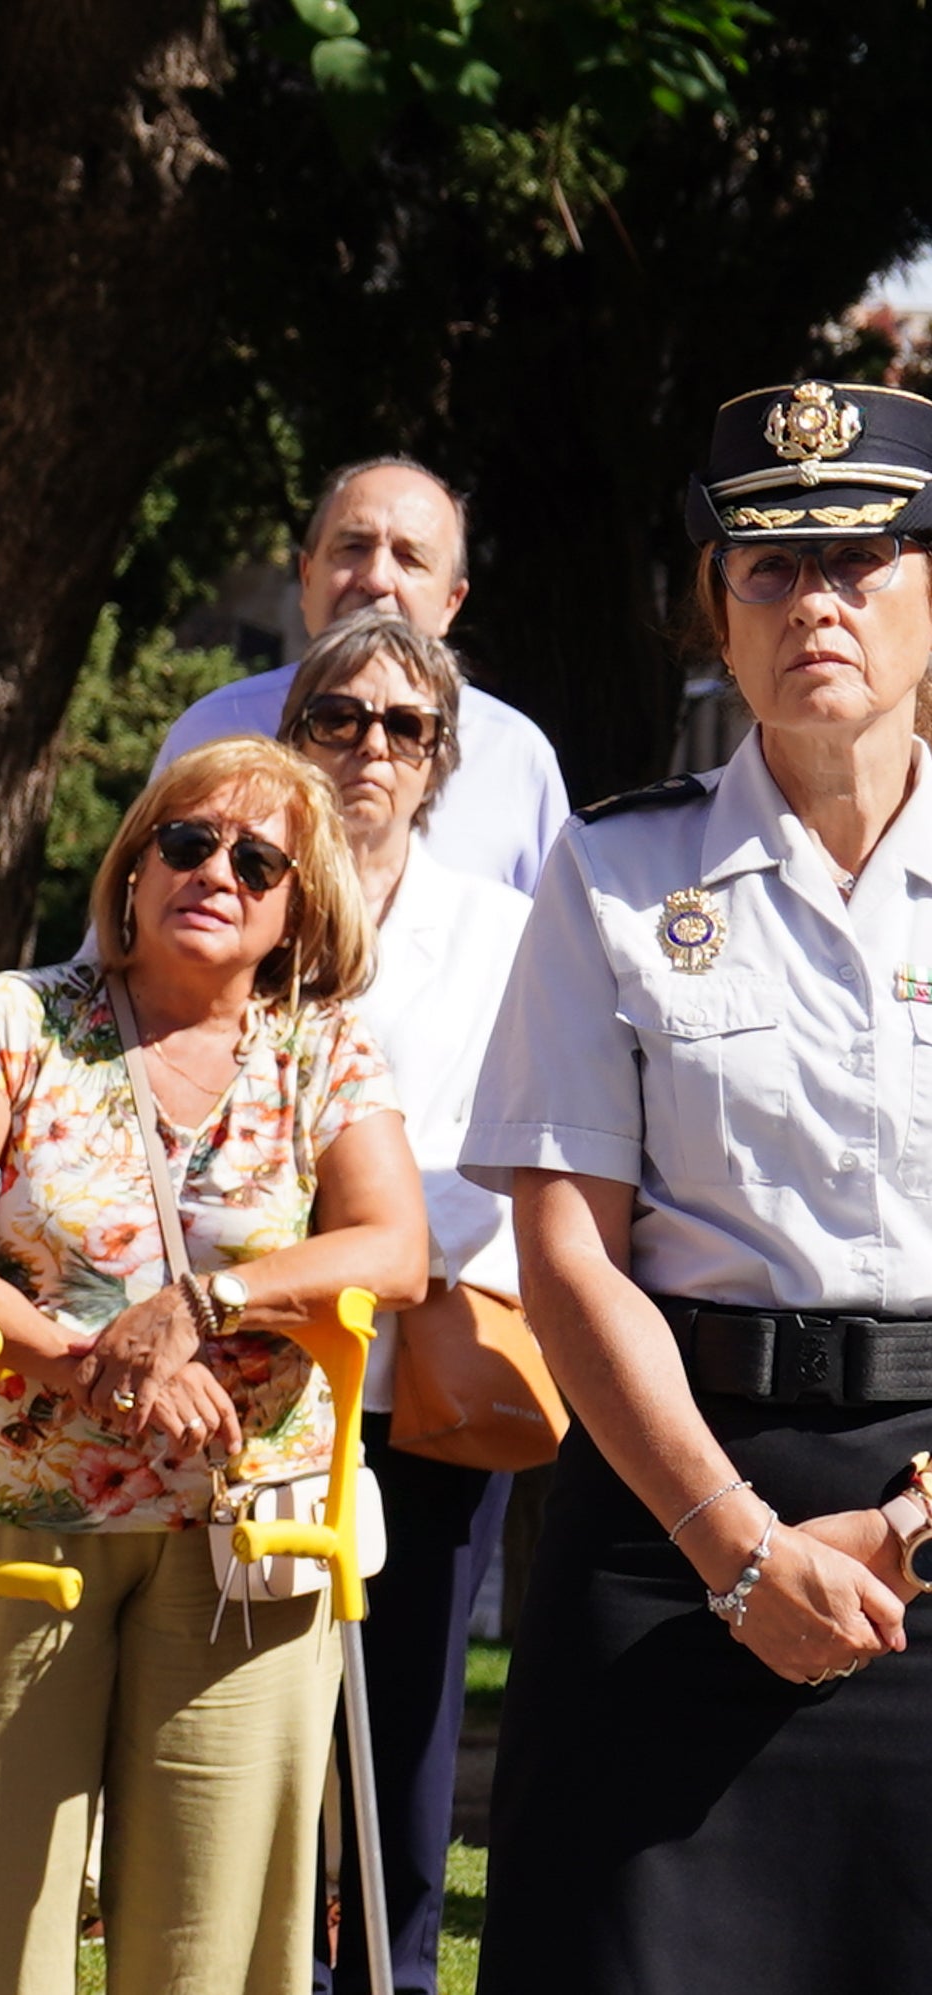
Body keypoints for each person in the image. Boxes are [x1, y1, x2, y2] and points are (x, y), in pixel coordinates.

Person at [463, 378, 932, 1991]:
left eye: (862, 560)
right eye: (770, 570)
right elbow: (567, 1255)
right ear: (717, 619)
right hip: (670, 1519)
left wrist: (922, 1525)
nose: (817, 603)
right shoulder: (614, 873)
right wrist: (735, 1545)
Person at [0, 735, 428, 1995]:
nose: (218, 870)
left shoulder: (323, 1051)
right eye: (188, 841)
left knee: (216, 1939)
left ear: (298, 911)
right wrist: (86, 1357)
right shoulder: (13, 1021)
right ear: (133, 866)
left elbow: (395, 1249)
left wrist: (207, 1302)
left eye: (260, 860)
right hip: (22, 1529)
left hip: (245, 1535)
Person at [271, 610, 532, 1995]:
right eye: (340, 716)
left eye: (404, 725)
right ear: (294, 735)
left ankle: (398, 1963)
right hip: (250, 1375)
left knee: (410, 1704)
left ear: (440, 761)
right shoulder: (236, 894)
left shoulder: (503, 932)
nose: (371, 745)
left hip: (417, 1376)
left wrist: (390, 1247)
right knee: (255, 1707)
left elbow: (527, 1143)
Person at [153, 456, 568, 894]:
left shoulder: (515, 758)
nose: (376, 578)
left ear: (452, 602)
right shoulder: (214, 732)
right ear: (307, 576)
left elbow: (558, 951)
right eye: (353, 547)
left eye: (410, 558)